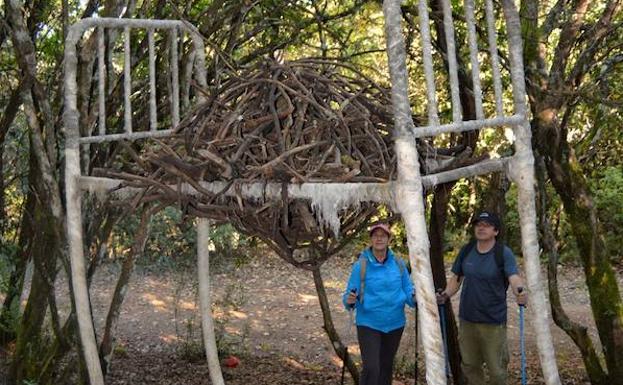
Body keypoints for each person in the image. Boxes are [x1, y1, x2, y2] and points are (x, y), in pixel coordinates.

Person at [436, 210, 527, 385]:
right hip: (468, 319)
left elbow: (513, 277)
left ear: (496, 231)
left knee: (497, 370)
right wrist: (446, 294)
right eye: (478, 225)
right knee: (470, 365)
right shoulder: (467, 250)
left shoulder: (503, 253)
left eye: (486, 225)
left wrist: (520, 292)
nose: (481, 228)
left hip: (493, 321)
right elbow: (457, 278)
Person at [342, 223, 416, 385]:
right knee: (371, 368)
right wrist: (349, 300)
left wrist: (415, 298)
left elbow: (408, 290)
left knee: (386, 366)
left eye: (383, 235)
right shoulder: (361, 265)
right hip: (369, 323)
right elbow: (349, 294)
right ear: (371, 239)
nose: (379, 238)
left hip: (395, 323)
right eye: (375, 235)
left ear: (389, 239)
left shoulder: (398, 263)